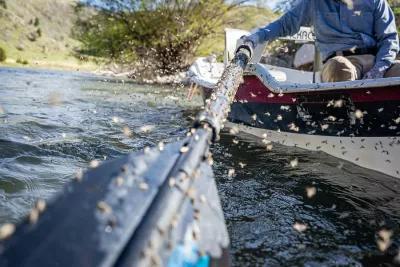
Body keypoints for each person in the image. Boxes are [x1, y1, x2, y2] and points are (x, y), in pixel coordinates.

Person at [241, 0, 400, 82]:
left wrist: (379, 69)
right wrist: (256, 37)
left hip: (376, 60)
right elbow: (285, 24)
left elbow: (389, 38)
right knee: (340, 67)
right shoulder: (313, 3)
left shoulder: (375, 1)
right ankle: (347, 125)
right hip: (340, 62)